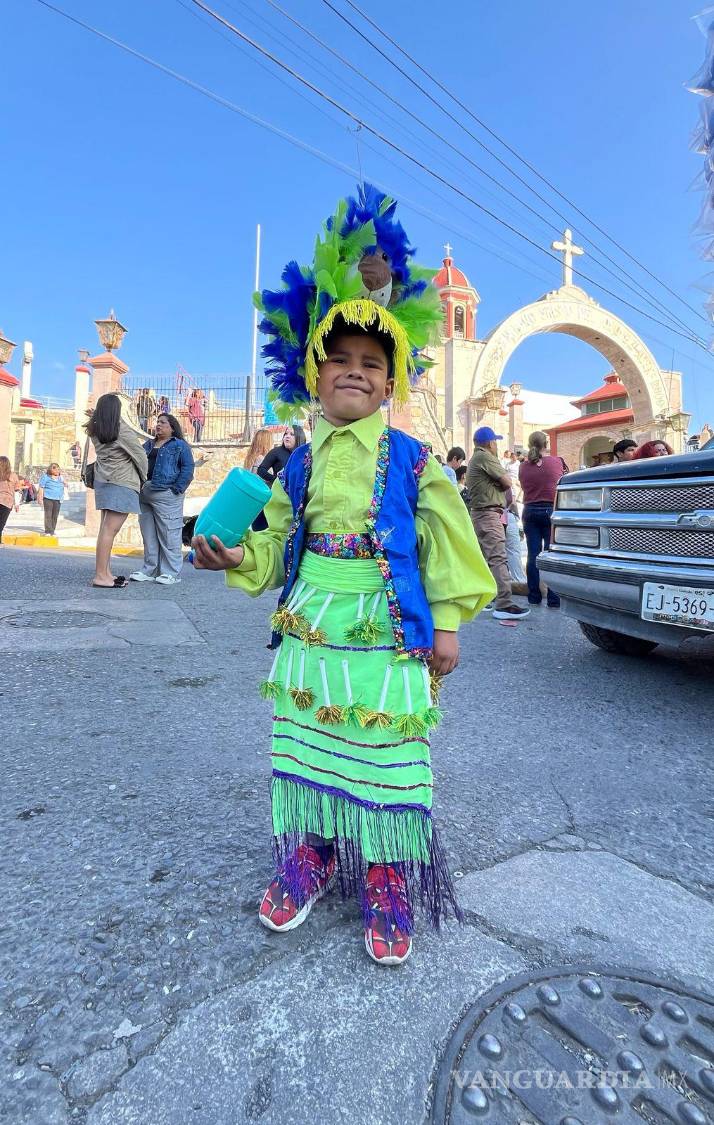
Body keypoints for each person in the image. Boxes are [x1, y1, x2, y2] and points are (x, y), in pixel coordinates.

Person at [191, 183, 495, 965]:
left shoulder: (414, 459)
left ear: (390, 384)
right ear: (314, 377)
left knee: (390, 755)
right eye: (341, 361)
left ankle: (389, 868)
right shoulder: (296, 466)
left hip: (385, 634)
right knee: (313, 739)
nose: (355, 372)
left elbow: (447, 540)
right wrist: (236, 555)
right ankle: (318, 850)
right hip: (312, 627)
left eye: (372, 363)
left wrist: (449, 624)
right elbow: (275, 545)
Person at [465, 426, 530, 620]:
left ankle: (485, 599)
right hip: (488, 514)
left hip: (481, 514)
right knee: (498, 558)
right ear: (490, 443)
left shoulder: (476, 458)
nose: (496, 445)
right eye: (495, 442)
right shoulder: (485, 457)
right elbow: (508, 482)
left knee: (485, 559)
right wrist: (501, 482)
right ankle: (504, 604)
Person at [86, 393, 148, 589]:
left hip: (103, 482)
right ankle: (101, 576)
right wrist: (143, 479)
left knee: (105, 531)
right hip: (121, 483)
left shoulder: (95, 429)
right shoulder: (120, 429)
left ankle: (105, 573)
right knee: (109, 532)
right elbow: (140, 456)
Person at [130, 413, 194, 586]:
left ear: (172, 427)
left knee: (169, 533)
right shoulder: (149, 444)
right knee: (148, 534)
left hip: (167, 494)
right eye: (157, 422)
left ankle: (171, 572)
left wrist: (177, 489)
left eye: (163, 422)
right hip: (145, 493)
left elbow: (188, 468)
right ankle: (149, 570)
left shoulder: (180, 445)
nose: (158, 425)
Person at [518, 431, 566, 607]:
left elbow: (523, 485)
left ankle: (534, 596)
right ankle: (553, 599)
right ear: (546, 443)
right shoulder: (557, 461)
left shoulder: (523, 466)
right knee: (551, 554)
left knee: (533, 555)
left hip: (529, 510)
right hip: (551, 510)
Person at [254, 425, 308, 533]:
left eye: (291, 434)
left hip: (298, 500)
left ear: (299, 437)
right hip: (278, 499)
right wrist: (278, 481)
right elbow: (261, 470)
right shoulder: (277, 452)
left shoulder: (305, 454)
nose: (287, 437)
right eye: (286, 434)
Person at [36, 462, 67, 536]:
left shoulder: (60, 477)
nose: (57, 470)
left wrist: (65, 482)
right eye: (55, 469)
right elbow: (41, 487)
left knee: (55, 515)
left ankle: (52, 530)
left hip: (58, 499)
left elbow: (66, 484)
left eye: (58, 469)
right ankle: (47, 531)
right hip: (48, 498)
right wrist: (40, 498)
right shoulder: (45, 477)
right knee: (48, 515)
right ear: (51, 470)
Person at [0, 456, 20, 544]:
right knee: (1, 522)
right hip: (7, 502)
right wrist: (17, 504)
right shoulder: (13, 475)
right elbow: (17, 491)